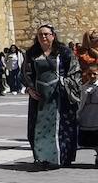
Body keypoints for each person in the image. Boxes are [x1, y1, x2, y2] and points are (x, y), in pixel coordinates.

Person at [23, 24, 79, 167]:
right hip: (39, 96)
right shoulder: (31, 54)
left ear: (53, 36)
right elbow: (25, 73)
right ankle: (43, 157)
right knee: (39, 127)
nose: (43, 37)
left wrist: (66, 84)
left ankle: (61, 157)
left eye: (47, 34)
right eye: (40, 34)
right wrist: (29, 88)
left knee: (61, 127)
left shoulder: (64, 52)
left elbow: (74, 70)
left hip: (60, 95)